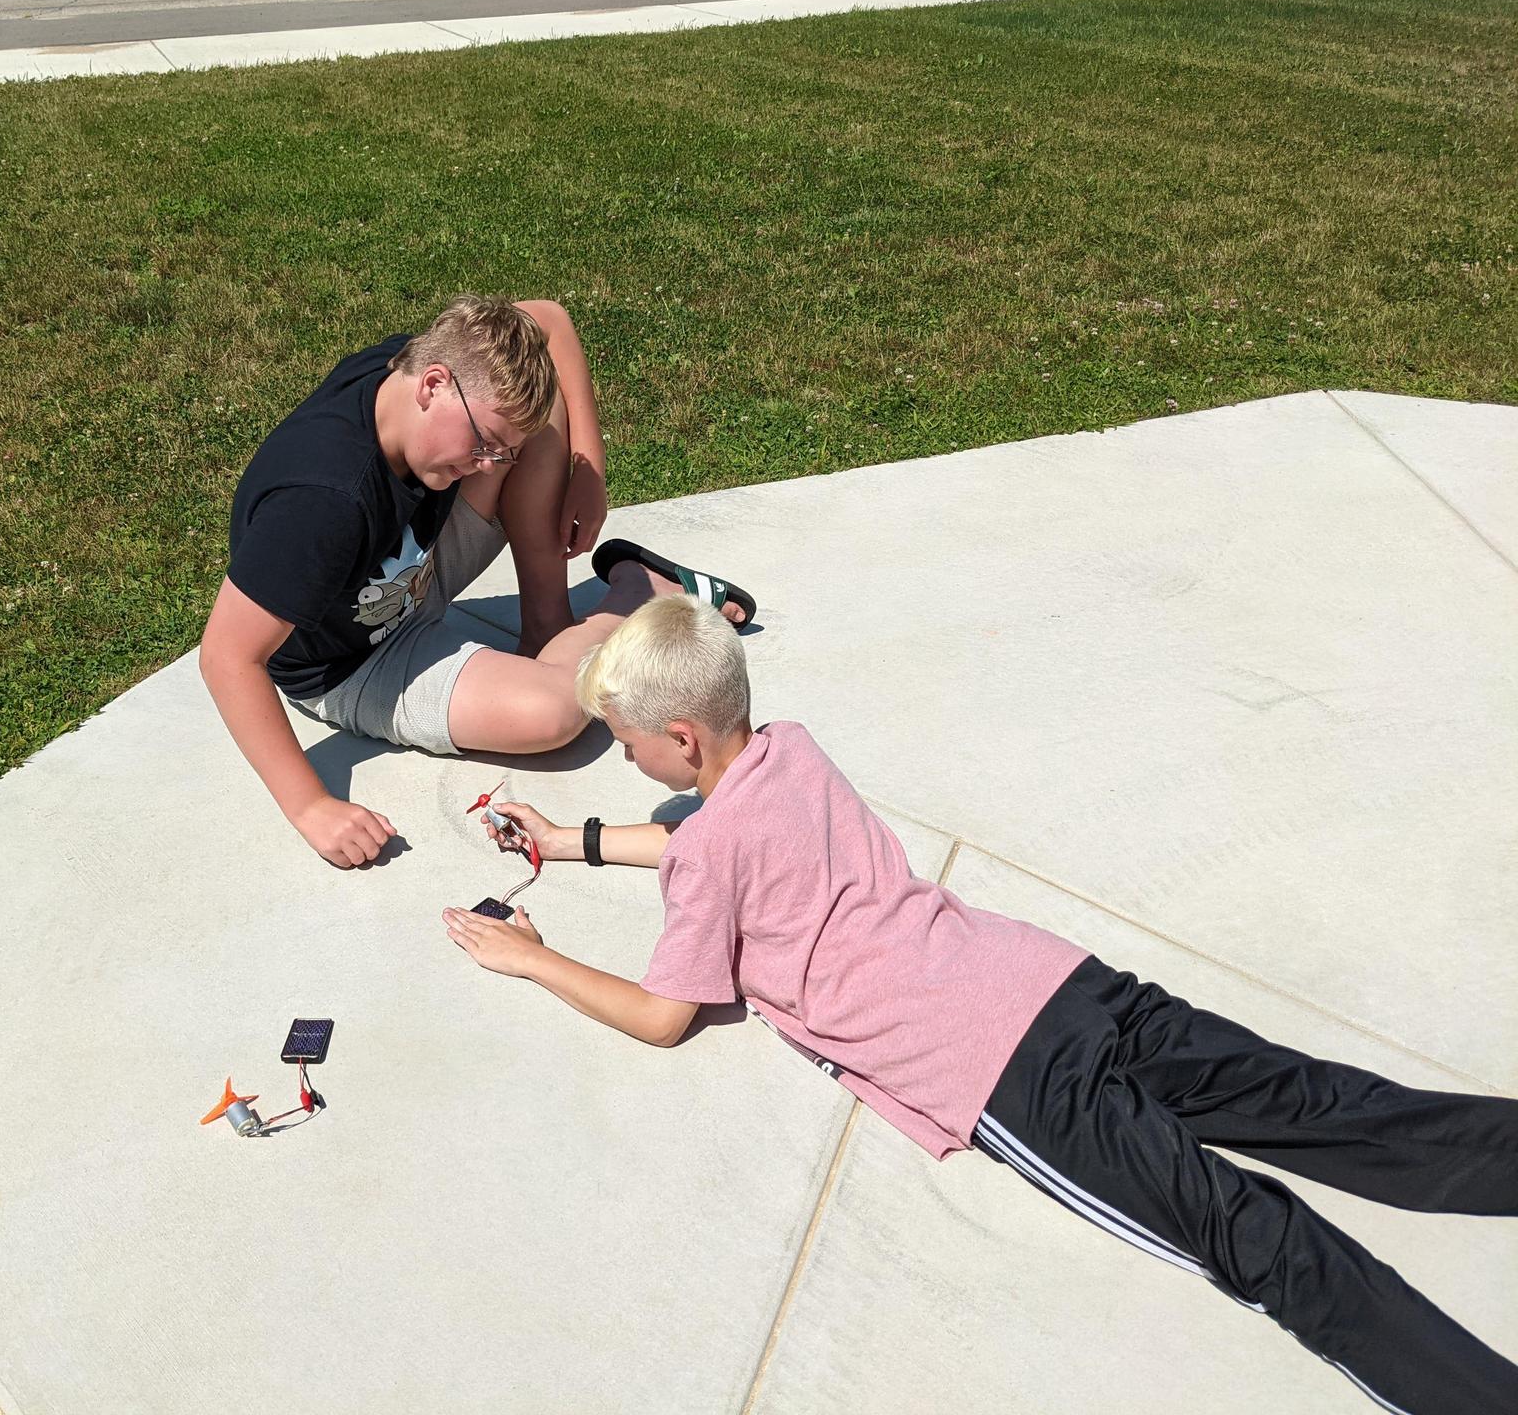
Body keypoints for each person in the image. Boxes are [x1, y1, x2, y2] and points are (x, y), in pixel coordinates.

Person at [441, 593, 1518, 1413]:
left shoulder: (703, 861)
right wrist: (571, 842)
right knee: (1314, 1101)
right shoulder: (789, 753)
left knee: (1246, 1234)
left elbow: (663, 1011)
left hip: (1004, 1073)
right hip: (1056, 981)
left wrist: (531, 957)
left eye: (629, 741)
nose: (626, 758)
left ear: (681, 739)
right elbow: (711, 835)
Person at [200, 295, 755, 869]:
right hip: (355, 658)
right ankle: (639, 591)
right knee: (555, 716)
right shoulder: (322, 503)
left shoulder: (430, 369)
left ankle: (547, 626)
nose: (491, 465)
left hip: (410, 567)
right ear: (432, 385)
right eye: (482, 445)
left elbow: (548, 319)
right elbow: (227, 658)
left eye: (497, 453)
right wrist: (311, 805)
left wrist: (588, 468)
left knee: (535, 418)